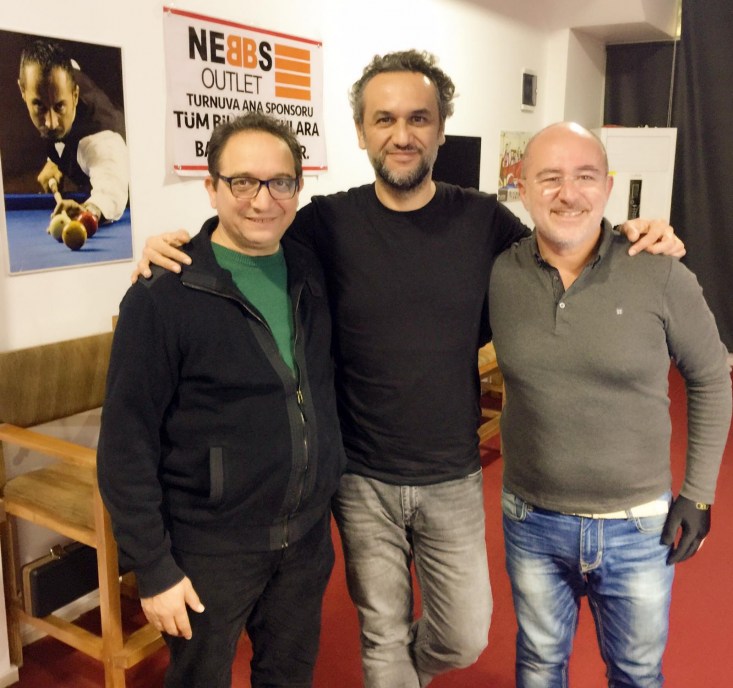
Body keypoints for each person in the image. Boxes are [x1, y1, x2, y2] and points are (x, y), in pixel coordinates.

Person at [132, 51, 686, 688]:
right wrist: (180, 245)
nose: (402, 134)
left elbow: (563, 246)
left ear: (441, 129)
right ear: (361, 132)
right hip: (360, 478)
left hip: (453, 474)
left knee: (464, 633)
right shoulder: (325, 224)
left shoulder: (483, 220)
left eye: (419, 118)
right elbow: (251, 228)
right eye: (384, 119)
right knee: (382, 633)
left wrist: (631, 236)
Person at [97, 112, 345, 688]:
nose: (262, 200)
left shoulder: (311, 269)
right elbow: (126, 444)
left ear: (298, 187)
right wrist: (153, 568)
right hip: (209, 549)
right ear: (211, 187)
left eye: (280, 182)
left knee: (289, 677)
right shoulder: (163, 294)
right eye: (242, 182)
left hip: (305, 539)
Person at [488, 122, 732, 688]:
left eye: (585, 176)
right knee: (539, 665)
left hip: (637, 526)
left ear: (608, 186)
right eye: (549, 178)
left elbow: (710, 379)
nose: (568, 194)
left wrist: (699, 493)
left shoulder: (660, 271)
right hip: (531, 519)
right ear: (521, 187)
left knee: (636, 673)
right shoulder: (501, 274)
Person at [18, 38, 129, 223]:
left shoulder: (99, 140)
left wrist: (88, 212)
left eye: (60, 106)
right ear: (23, 91)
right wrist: (54, 161)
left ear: (75, 95)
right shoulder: (60, 75)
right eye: (39, 106)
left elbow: (110, 189)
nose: (51, 123)